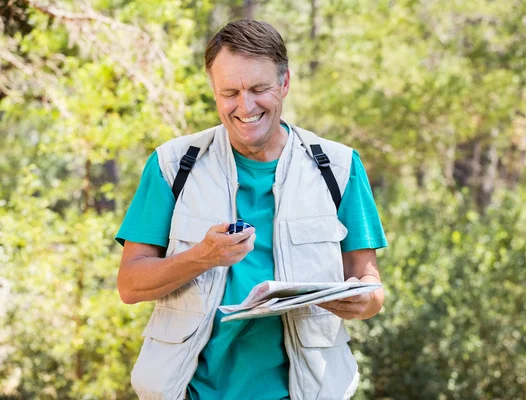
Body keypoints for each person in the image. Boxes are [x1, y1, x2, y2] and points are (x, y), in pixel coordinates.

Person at [116, 19, 387, 400]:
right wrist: (201, 258)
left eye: (259, 89)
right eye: (230, 92)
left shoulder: (339, 168)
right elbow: (130, 285)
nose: (245, 106)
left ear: (285, 83)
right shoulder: (171, 165)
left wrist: (361, 301)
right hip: (189, 393)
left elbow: (370, 287)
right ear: (214, 90)